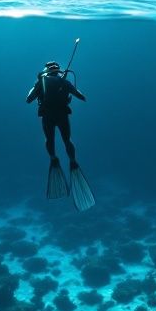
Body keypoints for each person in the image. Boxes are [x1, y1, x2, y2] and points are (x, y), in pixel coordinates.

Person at [26, 61, 94, 210]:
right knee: (67, 140)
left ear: (46, 71)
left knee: (49, 139)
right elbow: (81, 96)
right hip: (62, 115)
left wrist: (36, 84)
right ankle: (72, 160)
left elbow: (28, 99)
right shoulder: (65, 81)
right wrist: (67, 87)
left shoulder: (41, 82)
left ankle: (53, 158)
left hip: (47, 116)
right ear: (57, 71)